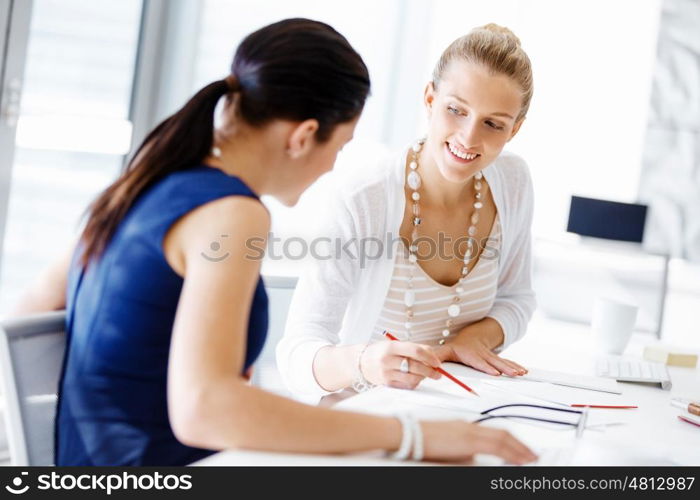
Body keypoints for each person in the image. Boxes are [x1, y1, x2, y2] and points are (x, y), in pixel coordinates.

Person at [14, 18, 536, 466]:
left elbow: (26, 317)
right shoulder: (233, 215)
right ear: (304, 135)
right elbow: (205, 409)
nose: (334, 165)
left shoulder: (146, 180)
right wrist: (415, 435)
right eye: (341, 145)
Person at [277, 24, 536, 402]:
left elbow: (517, 299)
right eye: (455, 110)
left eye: (493, 123)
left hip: (465, 410)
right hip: (364, 412)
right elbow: (295, 353)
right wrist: (364, 363)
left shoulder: (513, 181)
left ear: (514, 129)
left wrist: (474, 338)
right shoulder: (365, 197)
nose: (468, 137)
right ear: (430, 99)